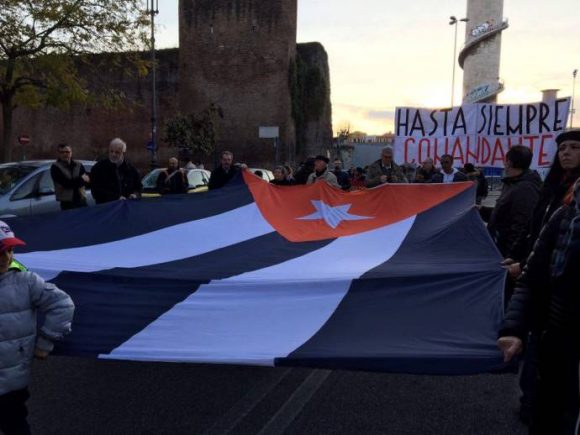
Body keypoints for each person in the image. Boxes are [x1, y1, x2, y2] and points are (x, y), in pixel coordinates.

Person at [505, 129, 580, 425]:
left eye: (575, 147)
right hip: (542, 287)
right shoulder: (551, 189)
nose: (566, 153)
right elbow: (536, 231)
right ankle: (533, 406)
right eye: (563, 148)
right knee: (540, 356)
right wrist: (522, 258)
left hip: (562, 299)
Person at [0, 220, 74, 435]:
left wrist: (46, 341)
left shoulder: (26, 281)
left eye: (10, 250)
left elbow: (62, 304)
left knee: (15, 425)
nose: (6, 258)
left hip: (12, 382)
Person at [480, 145, 542, 259]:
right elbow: (504, 215)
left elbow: (521, 226)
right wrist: (481, 210)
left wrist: (511, 257)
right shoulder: (512, 183)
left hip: (506, 256)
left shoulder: (525, 188)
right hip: (499, 248)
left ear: (509, 162)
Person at [90, 138, 142, 204]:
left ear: (123, 153)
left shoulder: (131, 170)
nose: (113, 154)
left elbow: (139, 187)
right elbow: (96, 191)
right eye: (111, 151)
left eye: (117, 152)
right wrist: (115, 198)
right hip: (106, 208)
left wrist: (135, 195)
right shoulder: (98, 168)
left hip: (125, 208)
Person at [50, 143, 90, 210]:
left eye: (67, 152)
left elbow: (87, 181)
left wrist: (79, 181)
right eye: (62, 152)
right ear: (59, 154)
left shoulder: (78, 165)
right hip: (67, 203)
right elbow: (66, 184)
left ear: (71, 153)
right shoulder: (55, 167)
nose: (65, 154)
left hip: (81, 200)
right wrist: (81, 179)